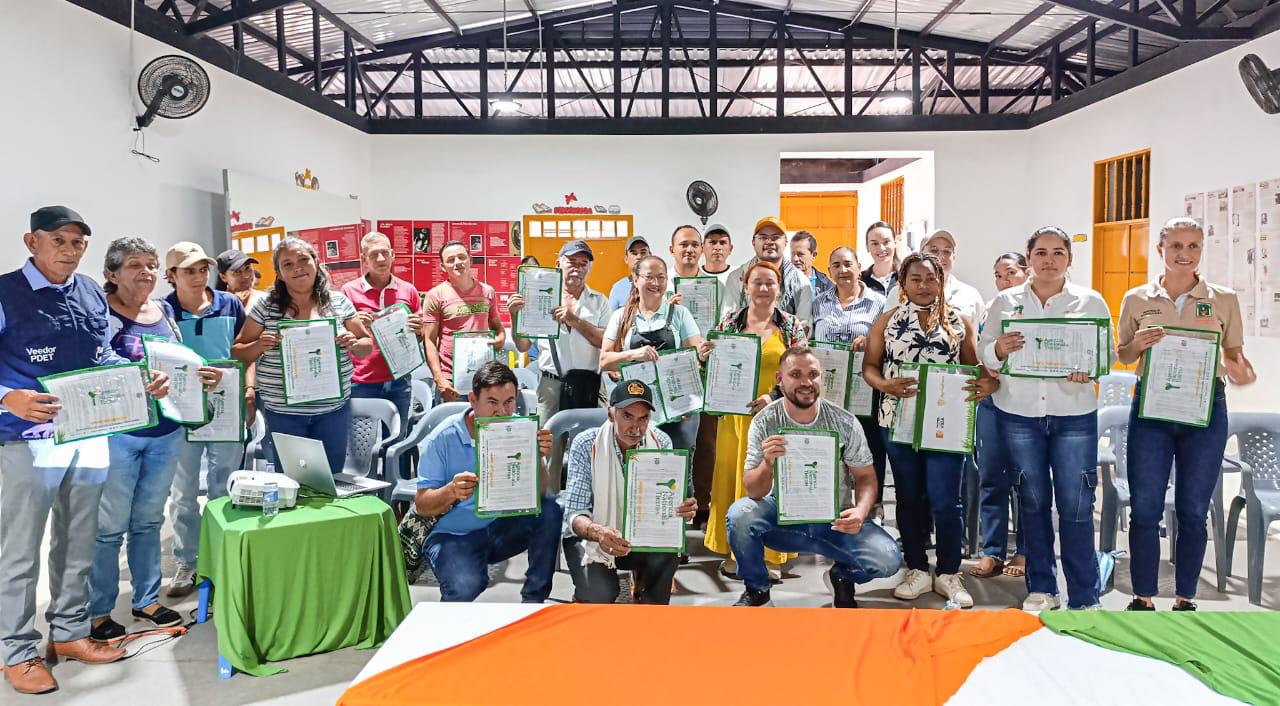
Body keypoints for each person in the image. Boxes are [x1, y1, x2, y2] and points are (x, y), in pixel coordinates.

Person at [0, 207, 169, 694]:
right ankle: (17, 651)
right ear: (32, 242)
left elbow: (102, 354)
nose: (70, 250)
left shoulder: (92, 291)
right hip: (29, 438)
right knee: (21, 550)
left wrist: (137, 376)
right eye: (59, 240)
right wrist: (7, 397)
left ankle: (70, 632)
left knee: (79, 540)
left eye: (78, 243)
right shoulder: (6, 292)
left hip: (89, 432)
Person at [1118, 217, 1255, 611]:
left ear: (1201, 250)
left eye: (1193, 246)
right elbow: (1123, 354)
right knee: (1145, 508)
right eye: (1176, 245)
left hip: (1205, 411)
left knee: (1194, 510)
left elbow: (1235, 356)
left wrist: (1242, 372)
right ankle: (1143, 597)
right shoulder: (1137, 299)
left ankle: (1185, 598)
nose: (1185, 253)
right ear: (1160, 249)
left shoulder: (1223, 298)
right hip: (1151, 411)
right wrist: (1137, 345)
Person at [90, 238, 224, 639]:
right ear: (112, 273)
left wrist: (202, 375)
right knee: (109, 527)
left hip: (166, 432)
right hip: (119, 434)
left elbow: (178, 362)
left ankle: (146, 600)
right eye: (135, 265)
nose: (146, 272)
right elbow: (93, 365)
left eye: (151, 264)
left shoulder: (163, 311)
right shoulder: (100, 312)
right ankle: (98, 611)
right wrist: (137, 376)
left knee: (148, 521)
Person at [980, 229, 1111, 611]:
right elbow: (985, 352)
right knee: (1033, 502)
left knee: (1076, 505)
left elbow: (1106, 354)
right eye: (1041, 252)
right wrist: (997, 349)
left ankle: (1084, 595)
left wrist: (1091, 370)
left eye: (1057, 253)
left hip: (1074, 415)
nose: (1049, 260)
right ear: (1029, 258)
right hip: (1020, 414)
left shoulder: (1090, 301)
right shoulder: (1005, 302)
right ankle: (1042, 588)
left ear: (1069, 258)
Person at [863, 252, 997, 609]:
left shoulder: (958, 321)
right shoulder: (887, 320)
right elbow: (870, 367)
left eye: (930, 278)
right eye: (915, 279)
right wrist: (885, 385)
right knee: (909, 497)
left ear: (941, 281)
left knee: (946, 500)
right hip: (899, 420)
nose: (923, 285)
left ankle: (949, 572)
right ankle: (917, 569)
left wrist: (988, 383)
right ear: (903, 283)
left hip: (946, 424)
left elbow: (974, 366)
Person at [727, 346, 903, 607]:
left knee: (888, 559)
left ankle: (842, 577)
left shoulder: (844, 421)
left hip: (835, 519)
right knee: (740, 515)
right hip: (783, 518)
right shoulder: (765, 421)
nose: (806, 382)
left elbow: (866, 477)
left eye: (813, 374)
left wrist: (860, 511)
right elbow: (754, 490)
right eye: (795, 374)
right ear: (780, 379)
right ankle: (757, 590)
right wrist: (767, 463)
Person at [414, 362, 561, 602]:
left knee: (551, 510)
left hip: (500, 528)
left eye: (509, 402)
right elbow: (422, 504)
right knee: (466, 585)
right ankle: (447, 619)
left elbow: (544, 493)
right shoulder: (442, 438)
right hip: (454, 535)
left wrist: (538, 457)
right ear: (473, 399)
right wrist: (450, 491)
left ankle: (534, 601)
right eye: (492, 402)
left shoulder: (521, 429)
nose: (502, 412)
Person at [704, 260, 808, 577]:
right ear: (745, 287)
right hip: (734, 420)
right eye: (757, 282)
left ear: (780, 288)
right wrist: (705, 358)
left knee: (769, 485)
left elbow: (803, 372)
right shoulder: (728, 324)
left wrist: (773, 396)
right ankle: (738, 553)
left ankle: (770, 556)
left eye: (770, 283)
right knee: (734, 481)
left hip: (775, 418)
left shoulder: (791, 326)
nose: (763, 288)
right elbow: (712, 372)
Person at [232, 237, 371, 474]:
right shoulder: (266, 306)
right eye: (287, 264)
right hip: (284, 414)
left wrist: (354, 343)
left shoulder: (338, 302)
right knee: (291, 480)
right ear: (279, 273)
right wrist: (259, 345)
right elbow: (238, 352)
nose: (297, 268)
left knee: (331, 478)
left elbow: (366, 345)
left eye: (303, 260)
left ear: (316, 262)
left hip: (332, 412)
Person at [163, 242, 250, 599]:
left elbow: (244, 349)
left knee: (223, 486)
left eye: (203, 269)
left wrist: (248, 388)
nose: (199, 277)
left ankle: (222, 557)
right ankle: (187, 560)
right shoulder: (162, 311)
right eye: (189, 270)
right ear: (171, 275)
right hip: (180, 412)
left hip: (227, 408)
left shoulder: (229, 304)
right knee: (183, 492)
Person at [560, 379, 698, 603]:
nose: (636, 428)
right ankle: (586, 593)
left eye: (643, 418)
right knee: (599, 594)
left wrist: (683, 508)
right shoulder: (586, 444)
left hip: (640, 535)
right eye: (627, 416)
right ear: (611, 414)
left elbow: (668, 503)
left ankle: (648, 603)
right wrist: (598, 532)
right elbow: (575, 514)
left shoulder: (660, 442)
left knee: (667, 551)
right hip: (593, 536)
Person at [600, 256, 711, 453]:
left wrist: (703, 355)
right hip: (635, 410)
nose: (656, 283)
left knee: (678, 463)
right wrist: (635, 354)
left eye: (661, 277)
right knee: (638, 464)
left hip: (677, 410)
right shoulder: (621, 316)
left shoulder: (680, 313)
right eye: (649, 277)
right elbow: (604, 360)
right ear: (636, 280)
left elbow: (694, 356)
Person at [969, 252, 1030, 582]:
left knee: (1025, 481)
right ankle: (992, 550)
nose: (1004, 280)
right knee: (991, 478)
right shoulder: (991, 309)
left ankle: (1025, 550)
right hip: (992, 402)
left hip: (1025, 405)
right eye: (998, 275)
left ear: (1026, 273)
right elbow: (981, 351)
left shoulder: (1035, 309)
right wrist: (987, 374)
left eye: (1010, 273)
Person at [813, 247, 888, 512]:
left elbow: (889, 342)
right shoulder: (818, 302)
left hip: (864, 389)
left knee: (869, 447)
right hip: (828, 391)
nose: (842, 270)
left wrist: (870, 341)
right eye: (836, 265)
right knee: (831, 449)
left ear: (859, 267)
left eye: (847, 264)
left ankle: (871, 507)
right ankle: (831, 507)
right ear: (829, 271)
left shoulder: (879, 302)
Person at [508, 240, 610, 423]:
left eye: (583, 264)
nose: (577, 269)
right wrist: (514, 316)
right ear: (558, 264)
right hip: (551, 386)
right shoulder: (541, 298)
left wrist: (573, 320)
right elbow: (523, 346)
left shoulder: (599, 301)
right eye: (572, 262)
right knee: (550, 439)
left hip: (590, 385)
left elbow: (605, 341)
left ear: (589, 268)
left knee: (592, 437)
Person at [341, 232, 423, 432]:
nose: (380, 259)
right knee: (361, 443)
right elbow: (339, 334)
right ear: (364, 259)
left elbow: (420, 334)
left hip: (399, 380)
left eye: (385, 253)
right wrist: (354, 324)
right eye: (373, 254)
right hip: (361, 380)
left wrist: (418, 329)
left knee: (398, 439)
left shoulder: (408, 290)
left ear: (392, 255)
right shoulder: (348, 291)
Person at [422, 240, 506, 403]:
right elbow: (429, 342)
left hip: (484, 378)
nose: (457, 262)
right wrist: (440, 380)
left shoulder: (487, 291)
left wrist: (501, 337)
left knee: (483, 420)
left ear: (470, 260)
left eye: (461, 257)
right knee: (454, 420)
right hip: (451, 381)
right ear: (443, 267)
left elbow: (497, 326)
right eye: (451, 260)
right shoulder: (435, 295)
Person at [721, 217, 813, 333]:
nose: (769, 242)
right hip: (743, 342)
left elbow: (803, 326)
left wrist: (774, 340)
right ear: (753, 242)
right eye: (763, 237)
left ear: (785, 242)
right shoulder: (737, 277)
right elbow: (727, 321)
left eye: (776, 237)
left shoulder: (801, 281)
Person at [886, 229, 986, 326]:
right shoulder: (899, 294)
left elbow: (983, 333)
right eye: (933, 250)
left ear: (954, 257)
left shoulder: (971, 296)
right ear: (920, 256)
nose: (940, 256)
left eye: (947, 251)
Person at [607, 235, 652, 310]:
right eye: (634, 253)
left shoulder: (660, 284)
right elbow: (610, 316)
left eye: (643, 252)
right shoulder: (618, 288)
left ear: (650, 256)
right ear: (626, 259)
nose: (639, 257)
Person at [790, 231, 833, 299]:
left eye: (800, 254)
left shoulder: (826, 285)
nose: (795, 259)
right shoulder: (781, 282)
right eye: (792, 254)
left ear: (814, 255)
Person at [860, 221, 899, 296]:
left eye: (886, 242)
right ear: (867, 247)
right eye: (875, 243)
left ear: (895, 244)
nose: (881, 248)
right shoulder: (860, 282)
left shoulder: (907, 278)